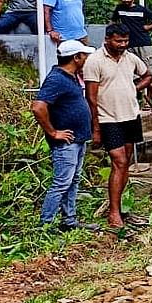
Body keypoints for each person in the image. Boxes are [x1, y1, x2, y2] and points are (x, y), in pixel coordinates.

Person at [84, 23, 152, 229]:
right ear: (107, 39)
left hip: (130, 116)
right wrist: (95, 128)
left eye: (125, 41)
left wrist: (135, 87)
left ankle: (120, 207)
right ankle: (114, 213)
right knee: (119, 162)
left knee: (126, 163)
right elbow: (91, 97)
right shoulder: (94, 61)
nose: (122, 45)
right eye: (118, 41)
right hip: (108, 119)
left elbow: (148, 75)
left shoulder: (130, 58)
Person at [32, 40, 98, 231]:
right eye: (84, 55)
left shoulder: (70, 77)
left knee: (72, 180)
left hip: (76, 139)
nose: (86, 58)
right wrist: (53, 132)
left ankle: (69, 220)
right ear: (76, 58)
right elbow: (38, 107)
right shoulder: (57, 79)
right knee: (62, 182)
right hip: (66, 142)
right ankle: (46, 224)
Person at [111, 0, 152, 79]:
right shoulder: (119, 9)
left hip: (144, 44)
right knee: (132, 71)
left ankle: (150, 92)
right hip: (128, 45)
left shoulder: (141, 9)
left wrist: (148, 27)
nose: (126, 0)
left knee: (149, 70)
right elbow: (113, 22)